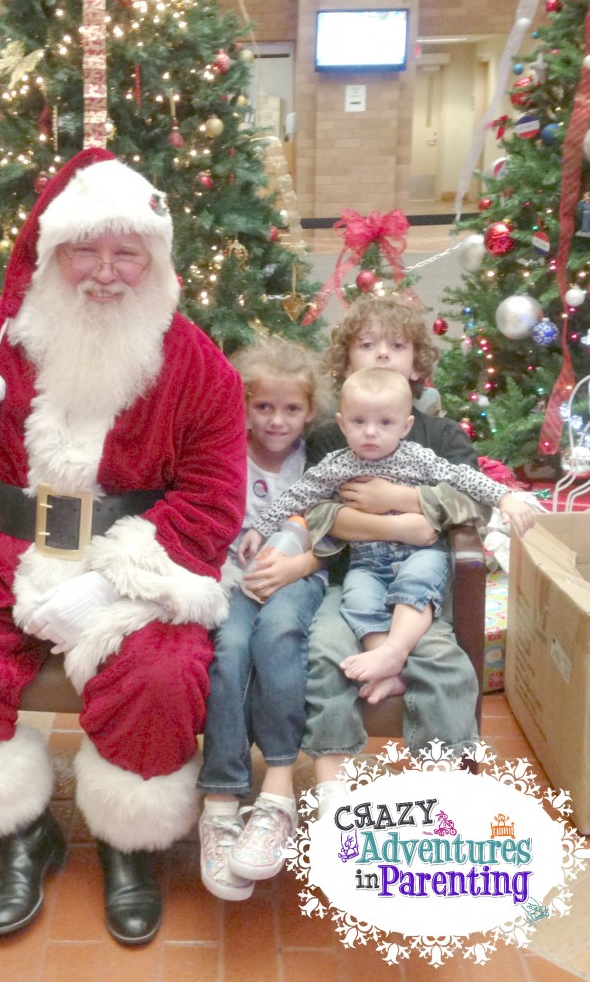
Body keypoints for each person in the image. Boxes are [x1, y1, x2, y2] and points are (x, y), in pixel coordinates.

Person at [0, 148, 247, 945]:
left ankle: (127, 842)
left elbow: (214, 498)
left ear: (154, 259)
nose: (105, 273)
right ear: (48, 251)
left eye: (126, 253)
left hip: (134, 560)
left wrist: (114, 588)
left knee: (165, 670)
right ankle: (20, 831)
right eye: (86, 249)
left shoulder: (197, 366)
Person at [298, 298, 509, 808]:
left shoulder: (439, 435)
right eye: (366, 345)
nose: (381, 355)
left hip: (419, 590)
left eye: (396, 346)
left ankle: (443, 795)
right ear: (345, 362)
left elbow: (475, 498)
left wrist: (406, 501)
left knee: (444, 663)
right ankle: (333, 797)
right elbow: (316, 513)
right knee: (324, 649)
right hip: (345, 578)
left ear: (417, 365)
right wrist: (394, 524)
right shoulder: (329, 437)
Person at [242, 365, 534, 707]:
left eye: (385, 423)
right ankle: (386, 667)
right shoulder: (337, 464)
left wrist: (504, 497)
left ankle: (395, 651)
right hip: (366, 562)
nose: (370, 433)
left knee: (416, 583)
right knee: (357, 601)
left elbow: (464, 478)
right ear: (341, 424)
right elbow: (298, 496)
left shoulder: (420, 457)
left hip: (420, 553)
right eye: (359, 422)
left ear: (406, 426)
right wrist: (261, 528)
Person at [196, 337, 331, 902]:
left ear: (311, 411)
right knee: (227, 650)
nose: (277, 421)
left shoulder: (320, 457)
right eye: (264, 407)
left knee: (278, 635)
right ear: (245, 405)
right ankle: (222, 800)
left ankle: (277, 797)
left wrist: (289, 553)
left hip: (298, 576)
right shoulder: (229, 451)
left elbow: (328, 523)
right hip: (232, 579)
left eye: (292, 409)